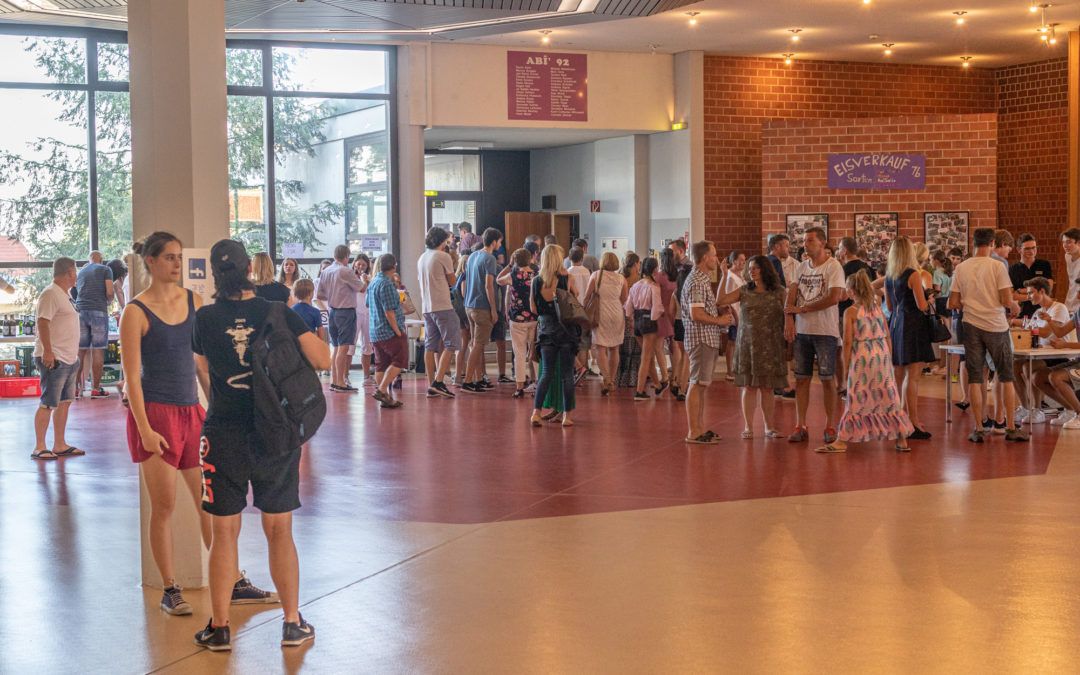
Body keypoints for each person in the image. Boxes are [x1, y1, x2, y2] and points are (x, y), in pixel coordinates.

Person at [120, 231, 277, 617]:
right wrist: (144, 429)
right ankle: (170, 588)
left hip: (192, 414)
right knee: (164, 506)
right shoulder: (135, 312)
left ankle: (234, 580)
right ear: (151, 262)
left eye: (179, 257)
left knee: (211, 504)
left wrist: (220, 405)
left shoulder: (193, 302)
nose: (176, 264)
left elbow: (201, 365)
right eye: (169, 258)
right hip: (155, 416)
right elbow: (131, 378)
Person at [191, 239, 330, 651]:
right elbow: (323, 360)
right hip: (275, 431)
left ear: (215, 273)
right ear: (250, 268)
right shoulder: (277, 312)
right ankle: (291, 623)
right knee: (278, 528)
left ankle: (219, 628)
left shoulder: (204, 319)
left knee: (224, 531)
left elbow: (202, 371)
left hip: (223, 432)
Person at [816, 270, 915, 453]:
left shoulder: (851, 312)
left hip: (862, 355)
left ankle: (842, 440)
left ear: (852, 290)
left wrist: (845, 370)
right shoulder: (877, 307)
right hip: (881, 354)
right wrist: (888, 360)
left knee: (856, 396)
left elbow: (847, 342)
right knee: (888, 396)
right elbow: (886, 334)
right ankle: (901, 438)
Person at [948, 227, 1030, 443]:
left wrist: (970, 302)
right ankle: (1010, 428)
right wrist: (1014, 307)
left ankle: (978, 428)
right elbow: (1005, 299)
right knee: (1006, 376)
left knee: (976, 377)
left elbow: (953, 303)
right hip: (996, 325)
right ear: (992, 243)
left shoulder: (961, 268)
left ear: (973, 243)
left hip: (971, 325)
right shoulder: (997, 266)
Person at [784, 227, 845, 444]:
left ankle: (830, 425)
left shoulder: (833, 266)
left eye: (810, 240)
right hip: (803, 331)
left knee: (828, 379)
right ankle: (801, 424)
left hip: (825, 331)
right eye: (804, 241)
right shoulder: (801, 267)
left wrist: (803, 309)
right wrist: (789, 318)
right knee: (801, 379)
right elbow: (791, 294)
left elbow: (834, 297)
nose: (805, 244)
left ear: (822, 243)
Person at [716, 255, 787, 438]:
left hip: (771, 343)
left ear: (764, 269)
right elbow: (721, 300)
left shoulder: (779, 291)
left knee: (767, 387)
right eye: (749, 268)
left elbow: (789, 312)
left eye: (755, 268)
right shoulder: (745, 290)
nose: (751, 271)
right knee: (749, 386)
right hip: (748, 343)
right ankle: (748, 426)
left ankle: (769, 426)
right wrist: (724, 275)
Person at [31, 256, 85, 460]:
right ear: (70, 272)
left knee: (65, 402)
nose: (77, 276)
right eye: (75, 272)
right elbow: (42, 323)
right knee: (48, 402)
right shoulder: (50, 294)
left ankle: (60, 444)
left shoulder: (65, 295)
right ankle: (39, 446)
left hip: (69, 358)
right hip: (54, 358)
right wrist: (48, 351)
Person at [884, 236, 935, 440]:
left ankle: (898, 417)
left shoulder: (889, 276)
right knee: (912, 376)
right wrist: (929, 297)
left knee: (898, 375)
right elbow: (922, 306)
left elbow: (888, 307)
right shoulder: (913, 274)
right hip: (913, 325)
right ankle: (913, 421)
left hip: (896, 324)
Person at [682, 241, 732, 444]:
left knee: (702, 385)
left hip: (706, 338)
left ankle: (700, 427)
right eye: (714, 255)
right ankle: (693, 431)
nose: (716, 259)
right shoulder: (696, 281)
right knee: (696, 383)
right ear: (704, 258)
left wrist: (718, 312)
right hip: (700, 338)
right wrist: (719, 320)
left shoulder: (702, 279)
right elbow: (696, 313)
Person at [531, 245, 578, 427]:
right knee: (567, 375)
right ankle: (567, 416)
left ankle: (536, 412)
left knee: (546, 373)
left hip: (546, 332)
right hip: (566, 331)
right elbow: (575, 301)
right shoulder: (567, 279)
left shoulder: (536, 281)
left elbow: (533, 308)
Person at [1012, 277, 1071, 423]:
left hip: (1059, 354)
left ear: (1042, 291)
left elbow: (1044, 332)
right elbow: (1029, 331)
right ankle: (1026, 408)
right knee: (1014, 365)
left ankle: (1038, 410)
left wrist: (1025, 325)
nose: (1029, 296)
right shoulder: (1038, 311)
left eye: (1031, 293)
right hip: (1042, 354)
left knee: (1028, 367)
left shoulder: (1059, 308)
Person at [417, 227, 459, 399]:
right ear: (442, 241)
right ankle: (439, 382)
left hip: (427, 306)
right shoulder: (443, 256)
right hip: (443, 305)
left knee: (430, 346)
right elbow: (452, 281)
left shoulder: (422, 257)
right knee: (452, 343)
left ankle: (431, 383)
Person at [316, 245, 364, 392]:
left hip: (333, 311)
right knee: (343, 348)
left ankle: (335, 381)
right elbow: (362, 288)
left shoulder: (326, 271)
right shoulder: (345, 270)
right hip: (346, 312)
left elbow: (320, 295)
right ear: (347, 256)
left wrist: (334, 294)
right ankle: (340, 383)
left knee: (336, 347)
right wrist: (363, 279)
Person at [461, 228, 503, 393]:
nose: (500, 245)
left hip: (469, 305)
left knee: (474, 344)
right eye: (499, 241)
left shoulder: (473, 255)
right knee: (478, 345)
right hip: (482, 307)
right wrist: (493, 309)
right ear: (493, 242)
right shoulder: (490, 258)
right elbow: (488, 285)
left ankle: (478, 378)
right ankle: (468, 380)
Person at [367, 254, 408, 409]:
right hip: (389, 331)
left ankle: (386, 398)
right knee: (400, 360)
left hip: (375, 331)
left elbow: (368, 304)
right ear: (394, 266)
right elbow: (389, 312)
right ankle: (382, 389)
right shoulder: (386, 284)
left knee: (381, 365)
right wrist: (398, 331)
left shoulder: (373, 283)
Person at [585, 251, 627, 396]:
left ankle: (606, 379)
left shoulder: (596, 275)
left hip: (600, 314)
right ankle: (613, 380)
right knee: (614, 348)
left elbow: (587, 296)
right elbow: (624, 299)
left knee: (600, 347)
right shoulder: (621, 278)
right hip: (617, 314)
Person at [625, 257, 665, 401]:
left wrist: (631, 320)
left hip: (637, 320)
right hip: (648, 320)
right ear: (655, 270)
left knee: (646, 355)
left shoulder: (635, 285)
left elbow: (628, 307)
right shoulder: (654, 286)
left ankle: (658, 384)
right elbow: (657, 308)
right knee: (646, 357)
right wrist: (657, 319)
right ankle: (639, 391)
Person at [75, 250, 114, 398]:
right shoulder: (105, 269)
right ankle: (96, 389)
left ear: (89, 259)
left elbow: (78, 291)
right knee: (98, 350)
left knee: (81, 351)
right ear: (101, 259)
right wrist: (109, 301)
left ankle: (75, 389)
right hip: (98, 311)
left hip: (81, 312)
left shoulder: (81, 272)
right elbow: (110, 291)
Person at [1035, 302, 1080, 429]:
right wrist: (1049, 320)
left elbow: (1064, 341)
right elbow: (1060, 332)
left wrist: (1065, 345)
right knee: (1038, 377)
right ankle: (1070, 410)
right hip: (1078, 359)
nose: (1076, 296)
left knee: (1056, 377)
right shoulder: (1078, 312)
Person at [501, 248, 538, 398]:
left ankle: (519, 386)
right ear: (529, 259)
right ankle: (537, 383)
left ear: (515, 261)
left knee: (519, 353)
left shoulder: (512, 275)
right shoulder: (536, 275)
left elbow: (498, 279)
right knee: (535, 352)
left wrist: (510, 266)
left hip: (517, 318)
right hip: (534, 318)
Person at [766, 233, 797, 400]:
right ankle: (780, 386)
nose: (788, 249)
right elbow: (780, 289)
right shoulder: (775, 262)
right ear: (776, 246)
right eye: (785, 245)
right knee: (779, 349)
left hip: (768, 312)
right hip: (777, 311)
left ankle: (777, 385)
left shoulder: (765, 262)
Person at [616, 252, 645, 388]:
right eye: (639, 263)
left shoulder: (620, 278)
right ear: (635, 265)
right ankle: (632, 379)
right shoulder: (640, 280)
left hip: (621, 317)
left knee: (623, 351)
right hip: (635, 317)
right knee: (634, 351)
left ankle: (620, 378)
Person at [1009, 233, 1054, 319]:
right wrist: (1034, 295)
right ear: (1019, 249)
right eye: (1027, 249)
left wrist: (1021, 291)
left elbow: (1048, 287)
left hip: (1043, 311)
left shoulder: (1044, 264)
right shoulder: (1013, 269)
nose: (1031, 251)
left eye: (1034, 247)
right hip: (1022, 313)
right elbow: (1011, 295)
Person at [656, 249, 682, 398]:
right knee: (675, 346)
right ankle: (675, 378)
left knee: (658, 346)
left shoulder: (659, 276)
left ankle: (665, 375)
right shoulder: (677, 275)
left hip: (661, 313)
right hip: (675, 312)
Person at [349, 254, 375, 387]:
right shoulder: (350, 277)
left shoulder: (371, 278)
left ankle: (367, 376)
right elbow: (359, 288)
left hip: (368, 313)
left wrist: (368, 280)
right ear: (354, 264)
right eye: (358, 264)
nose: (360, 267)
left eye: (363, 265)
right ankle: (345, 376)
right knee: (350, 345)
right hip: (354, 312)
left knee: (367, 345)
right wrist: (364, 281)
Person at [720, 251, 746, 382]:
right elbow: (728, 300)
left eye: (744, 260)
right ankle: (729, 371)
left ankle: (736, 367)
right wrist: (736, 317)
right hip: (735, 315)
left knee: (737, 342)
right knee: (732, 342)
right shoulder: (730, 276)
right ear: (734, 261)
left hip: (742, 313)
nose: (743, 263)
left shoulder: (740, 275)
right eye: (741, 260)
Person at [1062, 227, 1080, 313]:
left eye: (1068, 242)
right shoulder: (1067, 256)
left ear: (1079, 243)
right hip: (1069, 301)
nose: (1065, 245)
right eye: (1063, 242)